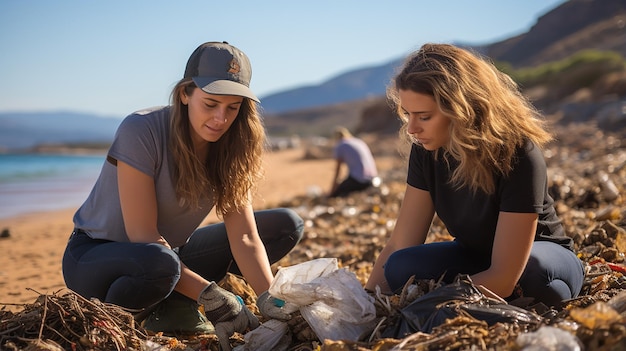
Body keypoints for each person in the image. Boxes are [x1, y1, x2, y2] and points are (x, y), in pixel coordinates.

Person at [62, 41, 303, 350]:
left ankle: (172, 305)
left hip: (167, 258)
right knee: (162, 263)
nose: (220, 119)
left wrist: (269, 300)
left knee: (286, 225)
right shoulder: (141, 129)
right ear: (185, 94)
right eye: (211, 104)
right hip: (95, 257)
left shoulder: (233, 146)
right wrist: (210, 295)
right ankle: (141, 311)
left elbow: (244, 237)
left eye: (233, 108)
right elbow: (143, 235)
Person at [365, 43, 584, 308]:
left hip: (542, 258)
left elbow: (504, 277)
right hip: (477, 256)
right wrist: (364, 303)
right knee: (399, 267)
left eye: (423, 116)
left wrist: (432, 304)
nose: (412, 129)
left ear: (461, 109)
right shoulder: (426, 152)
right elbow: (400, 243)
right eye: (407, 115)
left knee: (533, 275)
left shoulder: (518, 153)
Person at [328, 126, 379, 198]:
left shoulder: (340, 145)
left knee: (338, 194)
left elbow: (338, 171)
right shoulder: (359, 141)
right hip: (373, 179)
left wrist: (332, 191)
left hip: (359, 180)